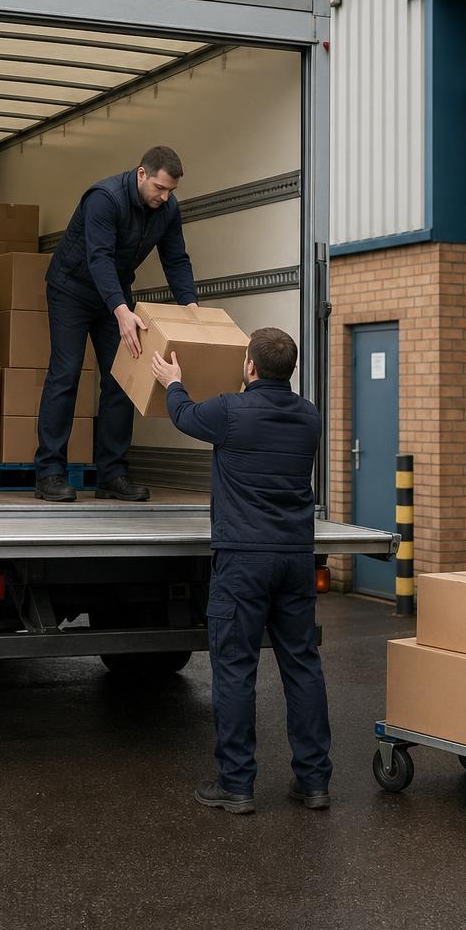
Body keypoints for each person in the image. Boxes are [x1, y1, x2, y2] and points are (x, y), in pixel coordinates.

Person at [150, 327, 331, 814]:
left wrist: (173, 380)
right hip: (294, 558)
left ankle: (236, 785)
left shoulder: (230, 411)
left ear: (249, 367)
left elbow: (184, 415)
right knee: (302, 666)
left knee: (235, 671)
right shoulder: (310, 417)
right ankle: (314, 782)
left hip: (243, 560)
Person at [35, 146, 199, 503]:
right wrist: (121, 311)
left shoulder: (167, 209)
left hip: (115, 293)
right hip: (72, 289)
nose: (164, 196)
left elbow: (176, 259)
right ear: (141, 174)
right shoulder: (104, 198)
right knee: (66, 373)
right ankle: (49, 473)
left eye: (170, 190)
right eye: (159, 187)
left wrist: (191, 309)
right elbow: (99, 257)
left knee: (123, 379)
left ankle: (111, 474)